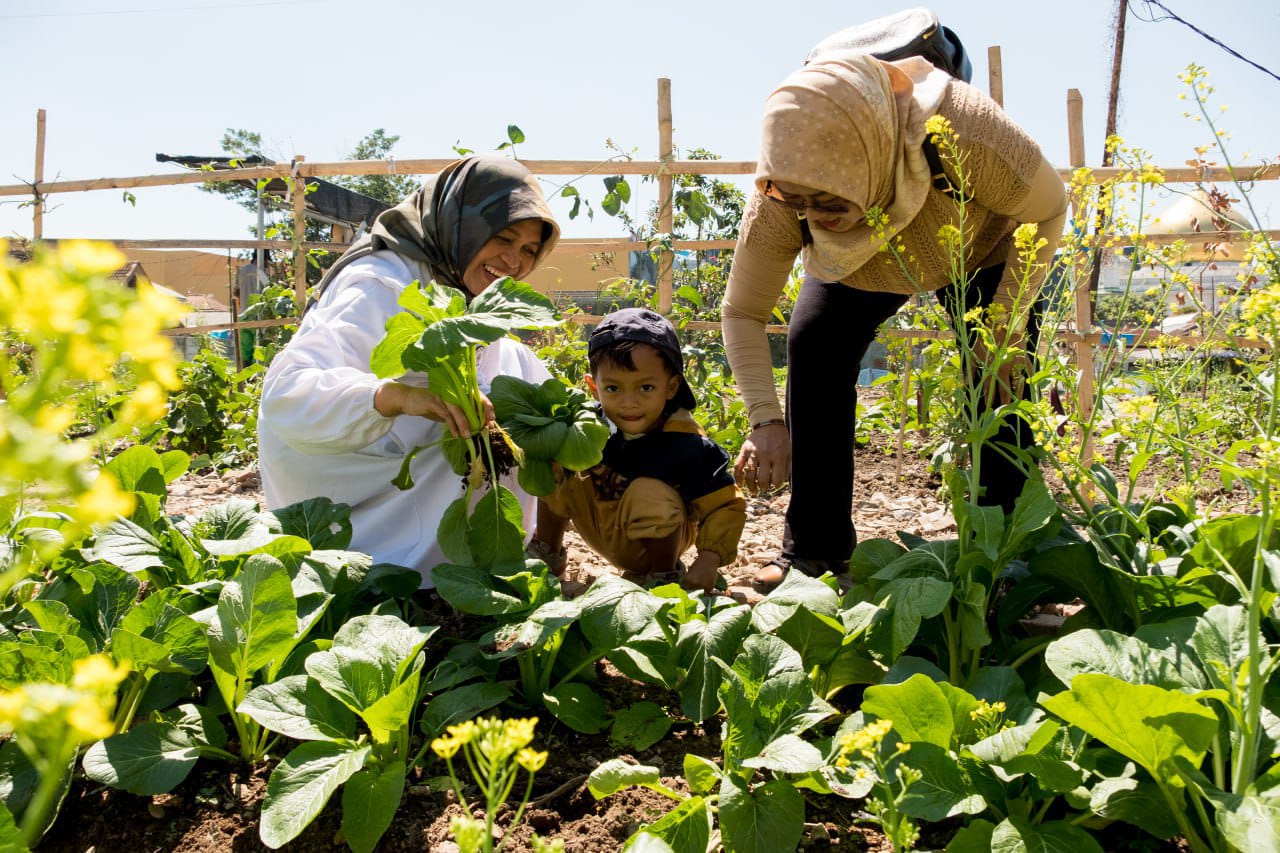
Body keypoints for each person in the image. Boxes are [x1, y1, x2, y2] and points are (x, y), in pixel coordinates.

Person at [722, 51, 1067, 589]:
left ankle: (1009, 552)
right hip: (861, 264)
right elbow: (743, 310)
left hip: (979, 242)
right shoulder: (781, 193)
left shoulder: (966, 132)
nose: (812, 213)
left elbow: (1049, 207)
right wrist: (766, 419)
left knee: (1001, 373)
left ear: (867, 155)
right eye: (799, 200)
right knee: (814, 346)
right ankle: (814, 550)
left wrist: (1003, 323)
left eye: (826, 195)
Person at [257, 155, 560, 585]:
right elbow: (287, 394)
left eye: (530, 250)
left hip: (397, 476)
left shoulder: (464, 288)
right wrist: (397, 397)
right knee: (474, 427)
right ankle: (405, 575)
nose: (514, 262)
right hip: (350, 503)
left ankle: (477, 564)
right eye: (504, 239)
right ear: (462, 224)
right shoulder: (380, 284)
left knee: (512, 390)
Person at [528, 308, 747, 592]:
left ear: (670, 387)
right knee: (556, 459)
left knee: (649, 491)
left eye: (645, 388)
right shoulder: (587, 428)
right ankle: (548, 557)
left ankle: (662, 578)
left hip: (655, 544)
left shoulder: (685, 443)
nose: (628, 403)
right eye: (613, 389)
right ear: (594, 388)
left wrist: (709, 557)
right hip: (601, 525)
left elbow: (726, 503)